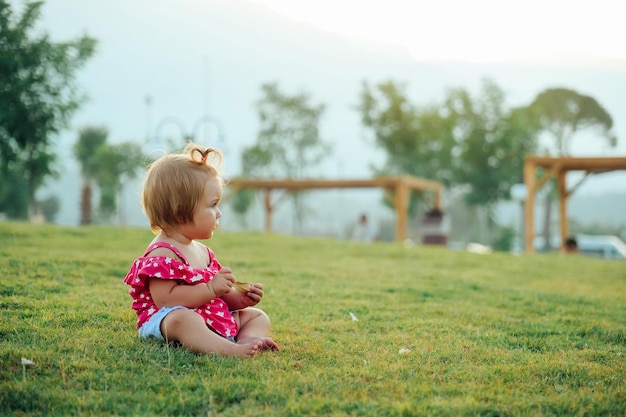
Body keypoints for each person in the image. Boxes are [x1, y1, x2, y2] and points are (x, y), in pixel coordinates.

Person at [123, 143, 279, 358]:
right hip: (168, 320)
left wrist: (240, 299)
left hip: (208, 315)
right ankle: (229, 350)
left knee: (255, 315)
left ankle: (247, 339)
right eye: (213, 205)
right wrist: (210, 288)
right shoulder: (162, 253)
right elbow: (166, 301)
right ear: (180, 213)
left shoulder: (203, 252)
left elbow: (220, 296)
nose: (219, 213)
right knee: (183, 319)